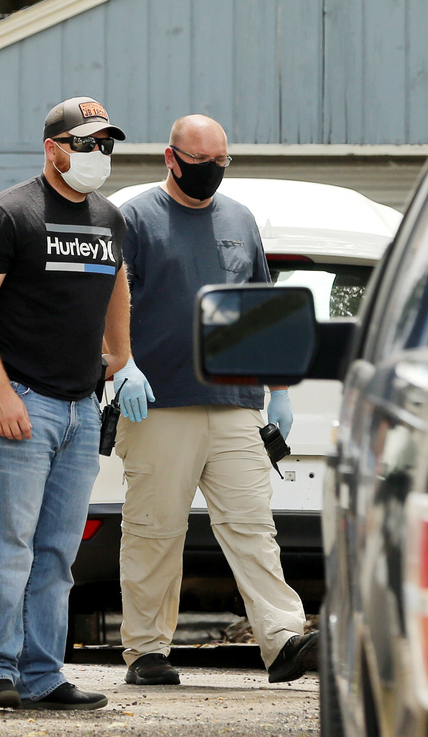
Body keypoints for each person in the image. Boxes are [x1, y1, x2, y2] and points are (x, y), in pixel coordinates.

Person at [0, 97, 145, 710]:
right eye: (86, 143)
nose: (98, 155)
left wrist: (124, 359)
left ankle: (42, 673)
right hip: (20, 403)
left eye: (105, 144)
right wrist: (1, 391)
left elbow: (117, 288)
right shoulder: (8, 215)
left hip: (80, 407)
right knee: (10, 544)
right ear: (53, 147)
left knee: (58, 551)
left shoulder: (109, 218)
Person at [115, 115, 318, 686]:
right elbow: (109, 302)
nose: (211, 174)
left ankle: (282, 641)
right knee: (156, 531)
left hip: (235, 402)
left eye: (221, 164)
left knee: (253, 527)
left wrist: (278, 389)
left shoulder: (239, 219)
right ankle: (147, 651)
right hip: (159, 402)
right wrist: (120, 365)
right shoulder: (135, 218)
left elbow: (259, 304)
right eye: (201, 164)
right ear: (171, 158)